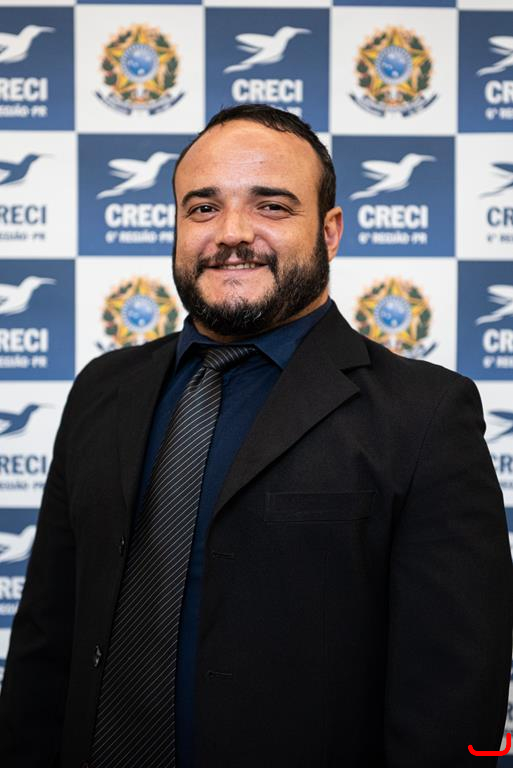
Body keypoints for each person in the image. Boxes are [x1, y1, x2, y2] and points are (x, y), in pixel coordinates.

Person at [0, 104, 511, 768]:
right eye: (203, 208)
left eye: (271, 206)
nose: (232, 233)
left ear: (329, 231)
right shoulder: (103, 388)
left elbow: (454, 689)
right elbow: (47, 639)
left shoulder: (425, 413)